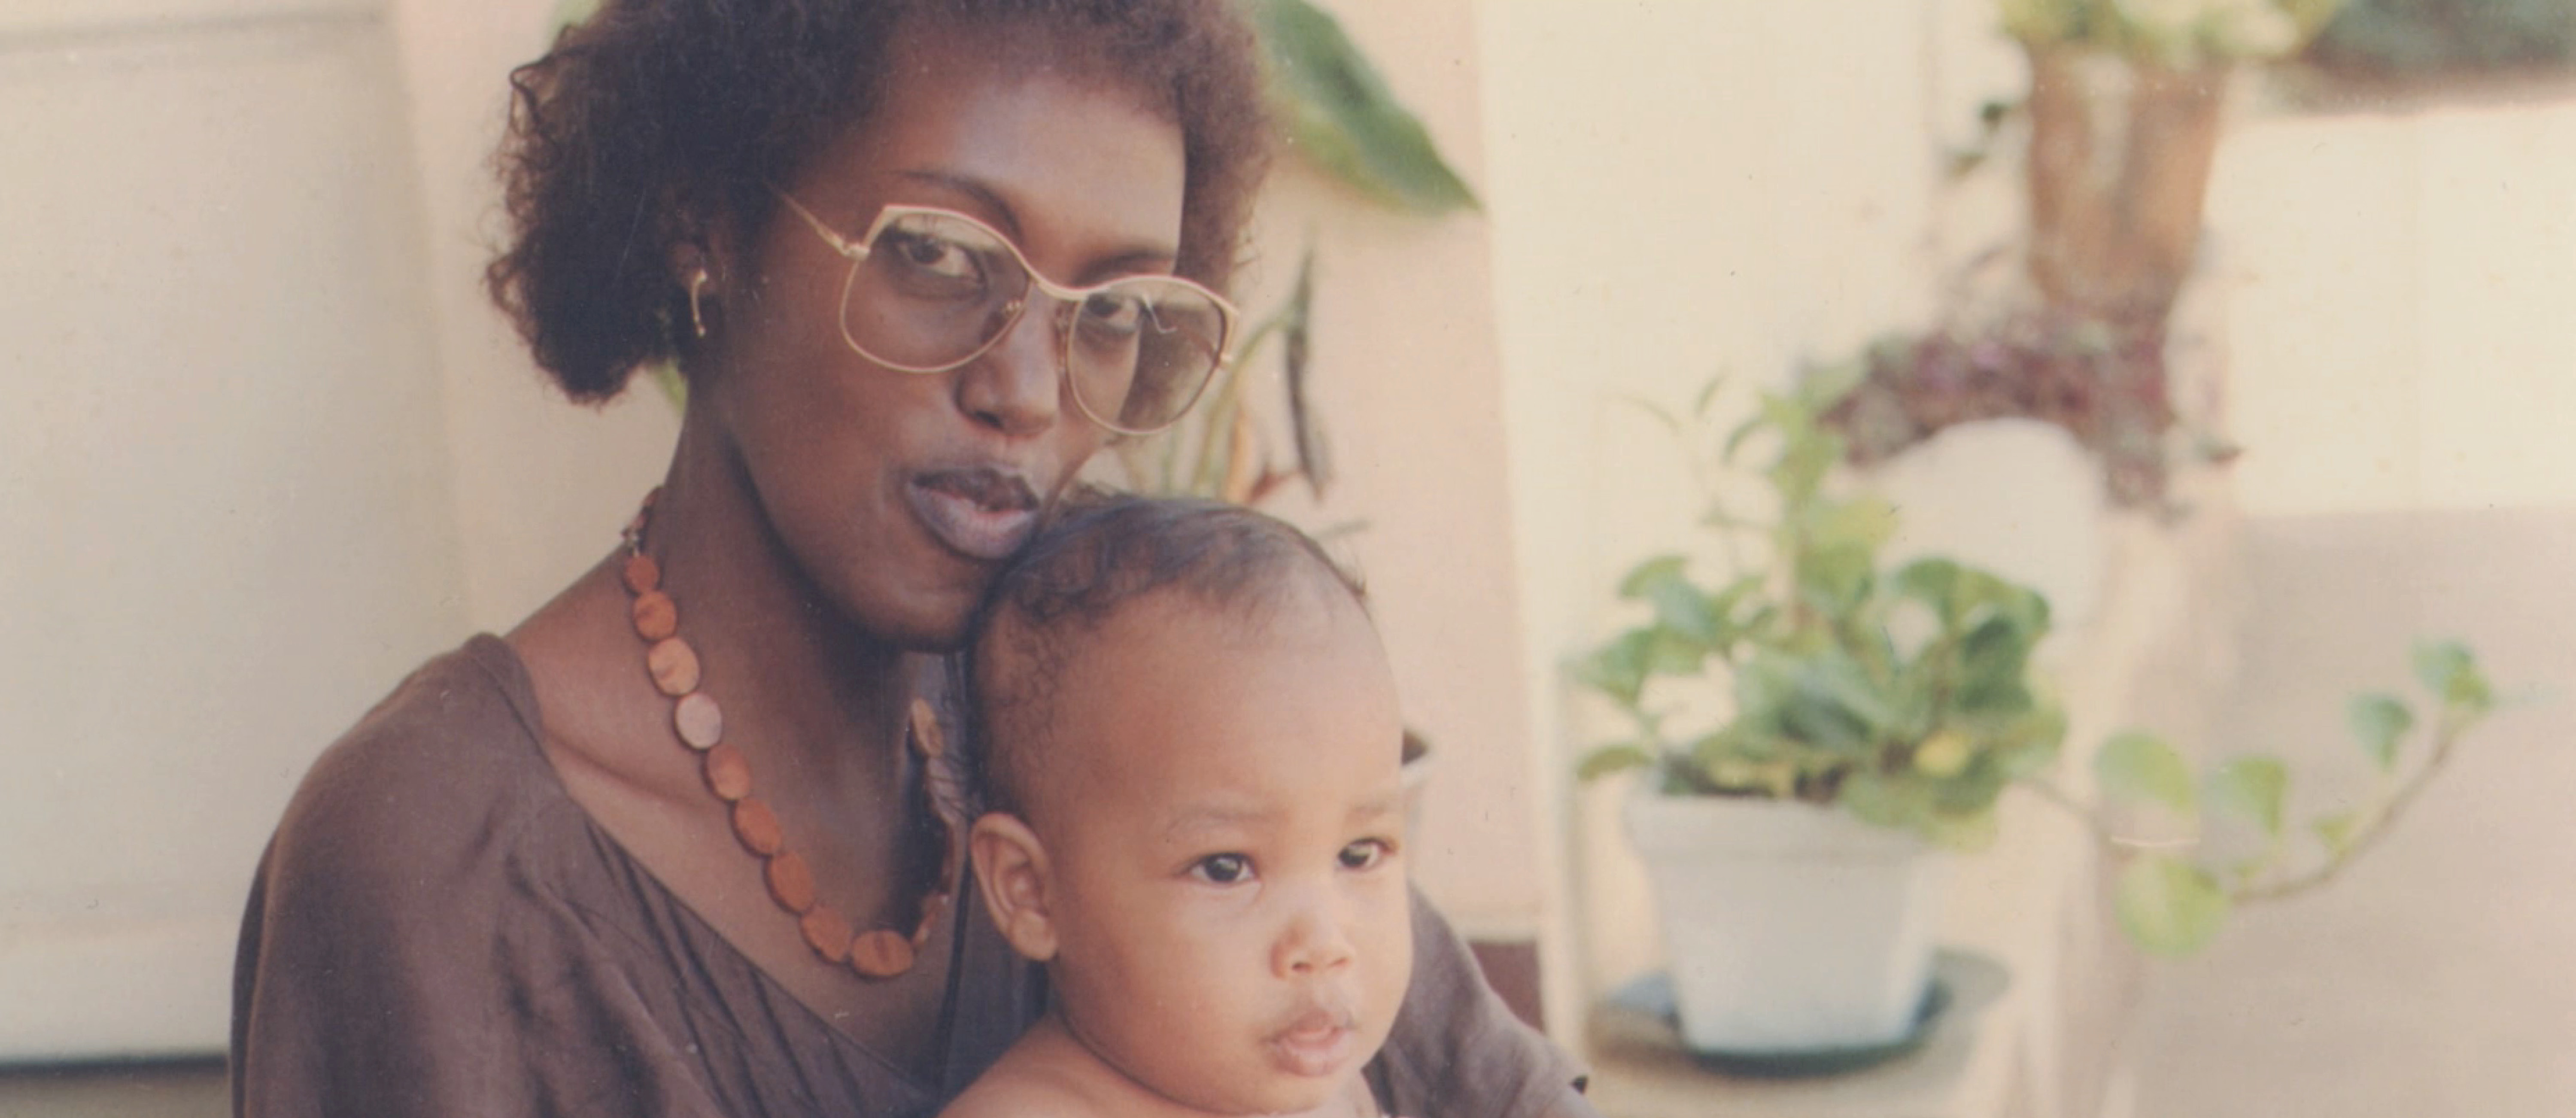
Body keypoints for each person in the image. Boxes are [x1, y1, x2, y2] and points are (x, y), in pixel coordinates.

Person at [228, 2, 1595, 1116]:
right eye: (938, 256)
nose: (1029, 389)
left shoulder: (1129, 691)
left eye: (1113, 307)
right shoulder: (438, 849)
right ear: (708, 227)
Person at [943, 495, 1410, 1118]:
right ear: (1031, 889)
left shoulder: (1337, 1094)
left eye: (1359, 854)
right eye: (1226, 868)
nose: (1323, 944)